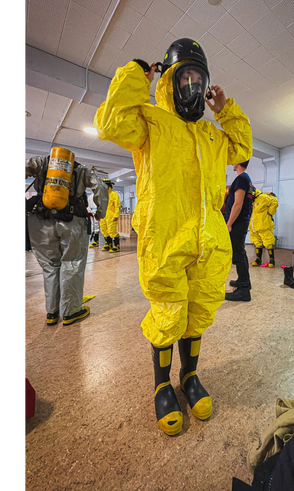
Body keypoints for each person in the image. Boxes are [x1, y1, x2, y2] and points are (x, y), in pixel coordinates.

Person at [94, 37, 252, 435]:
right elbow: (110, 123)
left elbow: (242, 147)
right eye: (185, 77)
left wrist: (225, 109)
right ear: (170, 80)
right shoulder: (150, 122)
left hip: (208, 244)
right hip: (165, 240)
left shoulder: (212, 135)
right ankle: (161, 384)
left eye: (200, 79)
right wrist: (136, 75)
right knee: (168, 313)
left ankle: (189, 375)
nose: (193, 86)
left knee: (198, 313)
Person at [22, 154, 108, 325]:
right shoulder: (80, 169)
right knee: (72, 264)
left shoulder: (41, 163)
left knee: (50, 266)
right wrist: (101, 212)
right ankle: (71, 311)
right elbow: (100, 186)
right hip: (72, 220)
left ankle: (52, 312)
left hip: (41, 220)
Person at [225, 161, 254, 302]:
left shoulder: (241, 179)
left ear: (238, 162)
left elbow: (238, 203)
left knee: (238, 253)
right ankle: (244, 281)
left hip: (238, 221)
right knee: (240, 252)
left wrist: (229, 223)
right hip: (241, 220)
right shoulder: (247, 179)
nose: (232, 162)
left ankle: (244, 289)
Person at [249, 190, 279, 267]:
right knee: (257, 241)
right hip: (254, 226)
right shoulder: (252, 200)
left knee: (268, 241)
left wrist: (270, 212)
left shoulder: (264, 197)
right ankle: (258, 259)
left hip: (264, 225)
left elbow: (274, 201)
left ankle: (272, 260)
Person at [99, 178, 121, 253]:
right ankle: (108, 244)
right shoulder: (102, 196)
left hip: (111, 216)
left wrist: (116, 215)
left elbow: (117, 206)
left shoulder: (114, 194)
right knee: (104, 230)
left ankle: (116, 246)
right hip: (103, 216)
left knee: (112, 231)